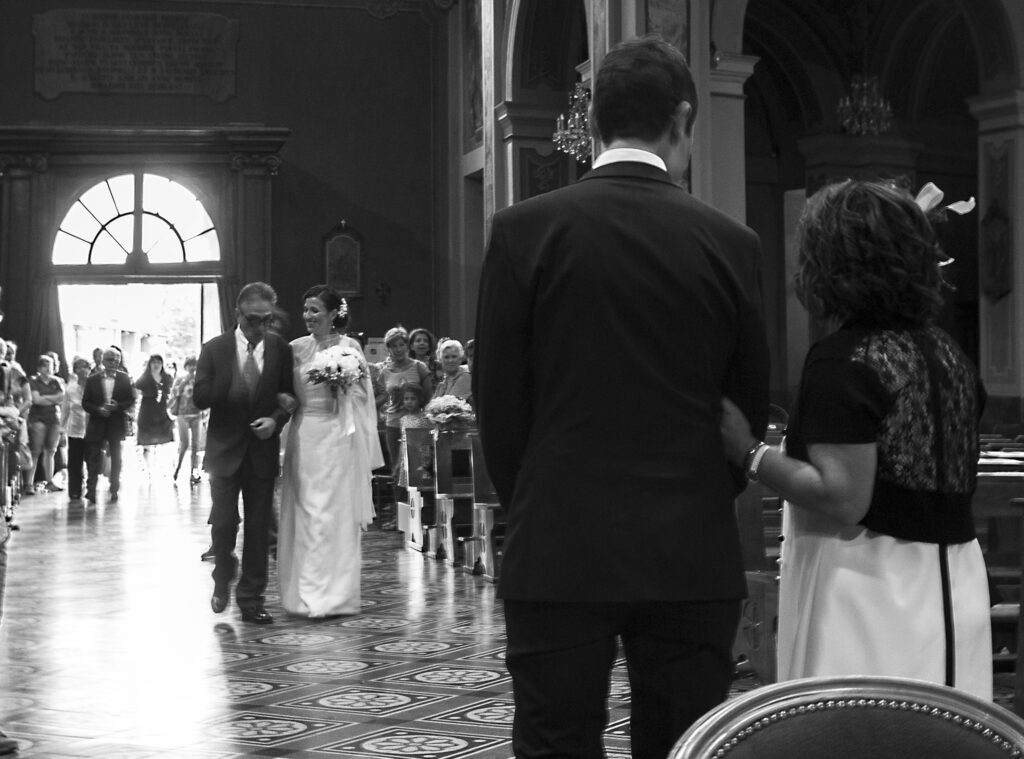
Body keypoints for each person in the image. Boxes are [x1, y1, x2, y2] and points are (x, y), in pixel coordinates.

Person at [472, 36, 770, 759]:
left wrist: (539, 494)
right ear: (682, 119)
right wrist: (702, 488)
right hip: (689, 547)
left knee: (557, 741)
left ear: (597, 122)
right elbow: (746, 407)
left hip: (559, 542)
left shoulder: (522, 232)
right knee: (680, 744)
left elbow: (498, 403)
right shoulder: (731, 243)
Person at [719, 179, 992, 700]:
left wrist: (749, 451)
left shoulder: (846, 359)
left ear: (828, 263)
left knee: (858, 733)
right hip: (953, 581)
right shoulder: (947, 353)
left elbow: (842, 496)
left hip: (867, 586)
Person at [278, 285, 383, 617]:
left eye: (314, 310)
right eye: (305, 310)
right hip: (304, 432)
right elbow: (282, 391)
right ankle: (305, 594)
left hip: (338, 435)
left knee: (333, 512)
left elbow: (365, 398)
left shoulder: (350, 348)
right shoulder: (294, 348)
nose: (307, 317)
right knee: (306, 510)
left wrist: (344, 387)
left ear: (333, 313)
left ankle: (335, 595)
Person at [194, 282, 294, 624]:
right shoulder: (215, 348)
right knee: (223, 524)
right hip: (224, 449)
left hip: (262, 450)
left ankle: (252, 597)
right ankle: (223, 574)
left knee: (259, 528)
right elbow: (200, 397)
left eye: (267, 319)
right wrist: (233, 381)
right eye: (253, 319)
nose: (260, 327)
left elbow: (288, 397)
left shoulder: (280, 348)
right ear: (238, 313)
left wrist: (275, 420)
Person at [378, 326, 433, 479]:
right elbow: (383, 396)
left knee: (417, 468)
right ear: (388, 348)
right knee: (396, 468)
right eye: (394, 346)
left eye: (401, 345)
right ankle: (400, 502)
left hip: (416, 424)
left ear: (407, 346)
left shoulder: (419, 367)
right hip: (393, 424)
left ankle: (418, 503)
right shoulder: (384, 371)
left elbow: (429, 398)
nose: (398, 349)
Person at [81, 349, 134, 504]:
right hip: (97, 423)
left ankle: (114, 489)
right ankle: (91, 490)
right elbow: (85, 402)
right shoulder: (92, 379)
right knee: (93, 458)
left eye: (117, 360)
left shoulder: (124, 379)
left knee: (116, 458)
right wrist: (98, 410)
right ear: (103, 361)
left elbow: (130, 400)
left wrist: (118, 406)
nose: (114, 363)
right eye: (111, 360)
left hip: (116, 423)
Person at [25, 354, 66, 495]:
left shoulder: (57, 381)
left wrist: (46, 398)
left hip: (54, 419)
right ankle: (29, 484)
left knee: (51, 451)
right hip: (38, 420)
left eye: (51, 366)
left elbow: (62, 398)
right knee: (35, 451)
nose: (48, 369)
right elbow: (36, 400)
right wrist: (52, 399)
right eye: (45, 366)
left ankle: (50, 482)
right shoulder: (33, 381)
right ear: (39, 368)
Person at [134, 354, 175, 475]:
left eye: (159, 362)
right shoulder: (144, 378)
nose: (156, 365)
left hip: (162, 411)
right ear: (150, 364)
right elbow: (135, 390)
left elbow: (172, 393)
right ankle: (149, 470)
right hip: (147, 411)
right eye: (154, 362)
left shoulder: (167, 377)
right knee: (146, 442)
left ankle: (162, 467)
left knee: (164, 441)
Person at [169, 356, 205, 485]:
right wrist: (186, 380)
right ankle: (177, 470)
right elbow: (175, 393)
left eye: (195, 365)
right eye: (190, 365)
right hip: (182, 414)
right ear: (186, 366)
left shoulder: (200, 379)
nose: (193, 367)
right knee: (184, 444)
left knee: (196, 445)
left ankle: (193, 473)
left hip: (196, 413)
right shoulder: (180, 378)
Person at [62, 357, 91, 504]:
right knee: (74, 463)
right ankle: (74, 491)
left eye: (85, 367)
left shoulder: (94, 387)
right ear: (75, 370)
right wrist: (61, 429)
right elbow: (65, 410)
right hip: (75, 430)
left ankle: (91, 489)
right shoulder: (70, 389)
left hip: (92, 430)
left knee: (92, 462)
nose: (82, 370)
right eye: (79, 367)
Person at [396, 382, 432, 488]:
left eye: (413, 399)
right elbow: (402, 442)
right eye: (406, 399)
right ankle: (411, 504)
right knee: (409, 487)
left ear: (420, 399)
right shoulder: (403, 419)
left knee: (421, 485)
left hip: (419, 458)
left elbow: (426, 442)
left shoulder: (424, 419)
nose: (409, 402)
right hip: (406, 457)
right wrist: (398, 463)